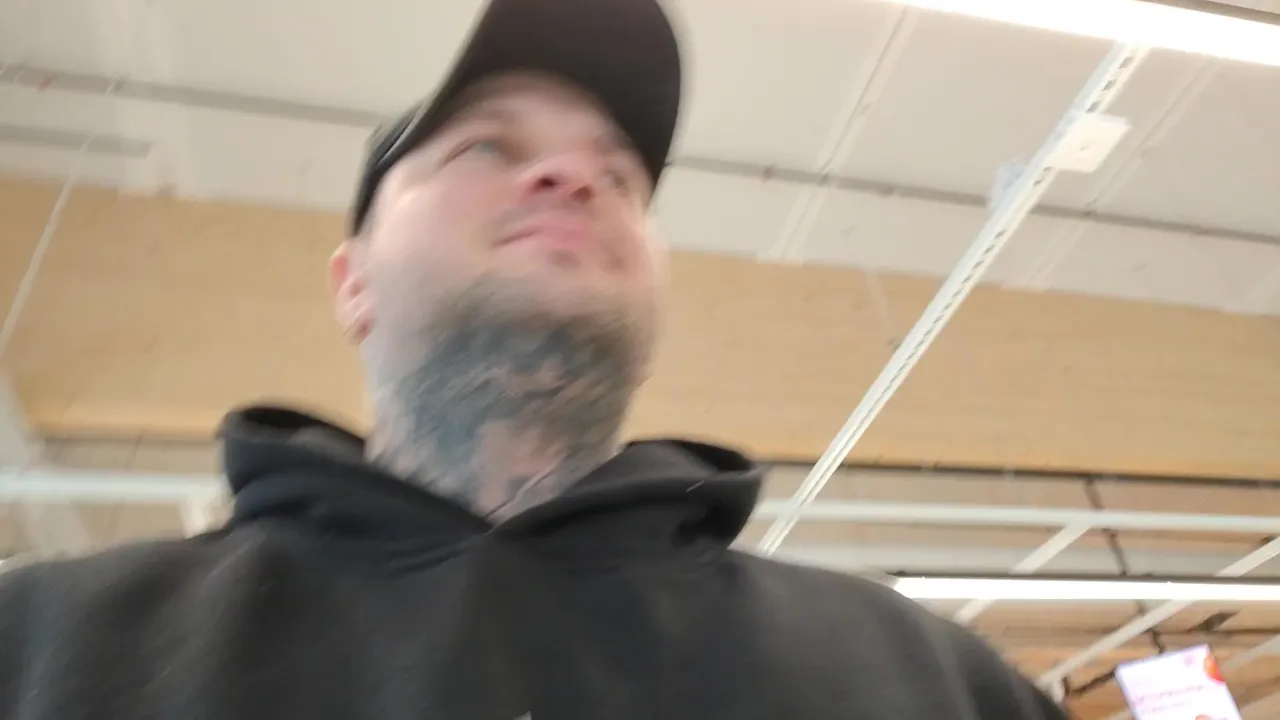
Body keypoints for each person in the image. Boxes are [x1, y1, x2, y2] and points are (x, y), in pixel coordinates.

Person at [0, 0, 1070, 718]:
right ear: (352, 281)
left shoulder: (930, 681)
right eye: (487, 145)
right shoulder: (45, 646)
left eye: (618, 175)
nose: (571, 175)